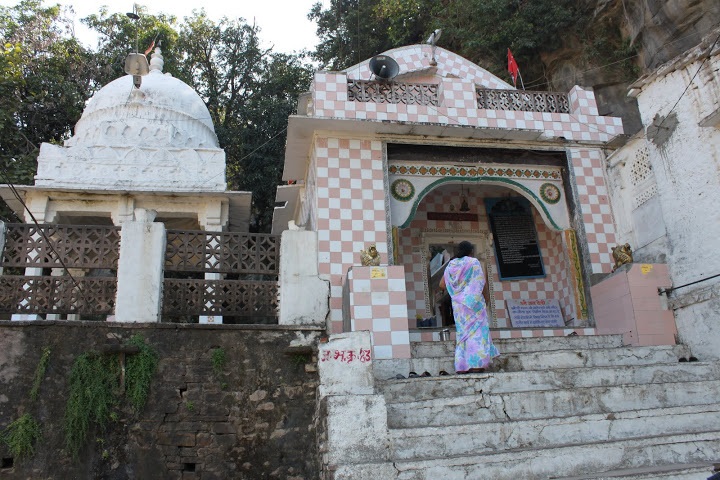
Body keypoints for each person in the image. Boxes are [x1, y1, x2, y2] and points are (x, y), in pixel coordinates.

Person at [439, 241, 499, 373]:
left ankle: (462, 366)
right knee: (477, 334)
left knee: (463, 335)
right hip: (474, 304)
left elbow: (442, 285)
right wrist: (485, 298)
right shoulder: (473, 262)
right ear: (470, 251)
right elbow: (480, 282)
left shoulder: (451, 265)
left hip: (459, 307)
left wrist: (457, 292)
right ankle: (477, 365)